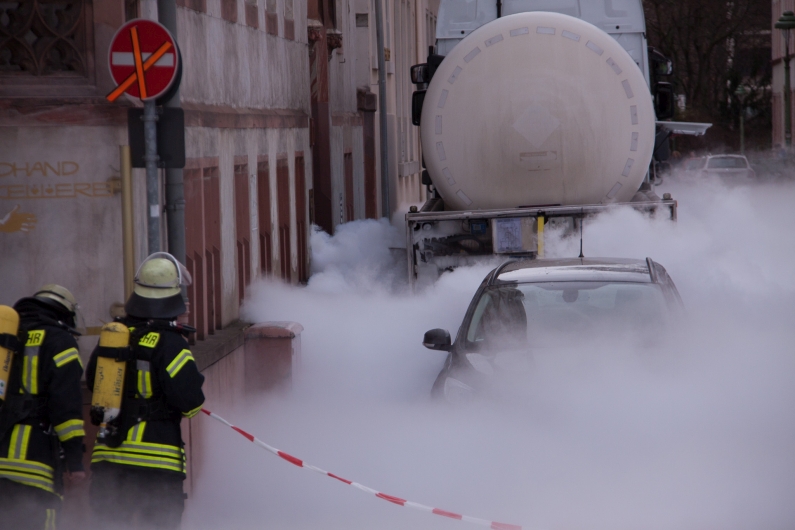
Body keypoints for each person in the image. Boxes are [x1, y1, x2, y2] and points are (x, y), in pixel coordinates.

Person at [87, 252, 204, 530]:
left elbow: (93, 382)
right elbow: (191, 403)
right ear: (172, 299)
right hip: (156, 465)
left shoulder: (114, 336)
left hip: (108, 459)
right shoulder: (172, 344)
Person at [0, 285, 86, 530]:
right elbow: (67, 408)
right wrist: (74, 461)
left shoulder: (7, 336)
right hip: (34, 463)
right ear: (65, 313)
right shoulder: (60, 341)